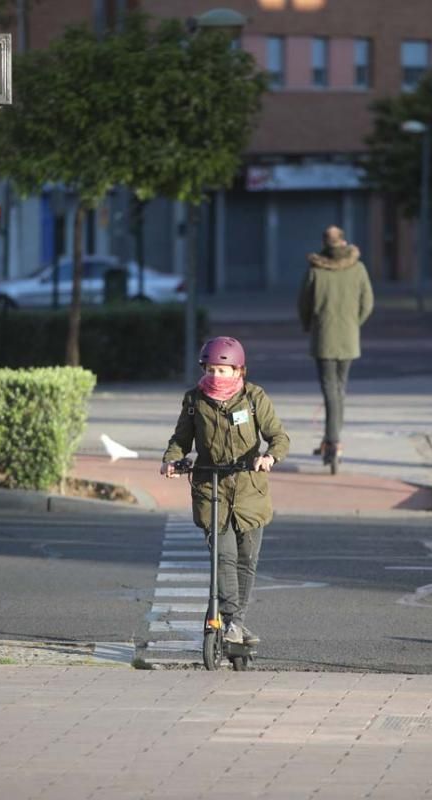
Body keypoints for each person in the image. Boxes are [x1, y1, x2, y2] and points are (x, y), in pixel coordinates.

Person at [160, 336, 290, 646]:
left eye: (224, 370)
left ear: (238, 371)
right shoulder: (194, 401)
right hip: (211, 487)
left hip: (249, 491)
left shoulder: (254, 398)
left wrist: (269, 457)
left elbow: (279, 437)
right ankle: (233, 621)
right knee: (224, 557)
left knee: (247, 560)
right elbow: (180, 440)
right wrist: (172, 460)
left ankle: (236, 623)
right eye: (211, 370)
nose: (216, 376)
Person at [296, 225, 374, 465]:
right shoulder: (358, 268)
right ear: (343, 241)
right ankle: (333, 439)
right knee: (340, 389)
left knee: (330, 389)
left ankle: (332, 439)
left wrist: (310, 325)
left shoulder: (316, 269)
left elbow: (303, 303)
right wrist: (354, 323)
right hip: (349, 337)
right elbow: (368, 303)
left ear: (325, 243)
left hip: (324, 337)